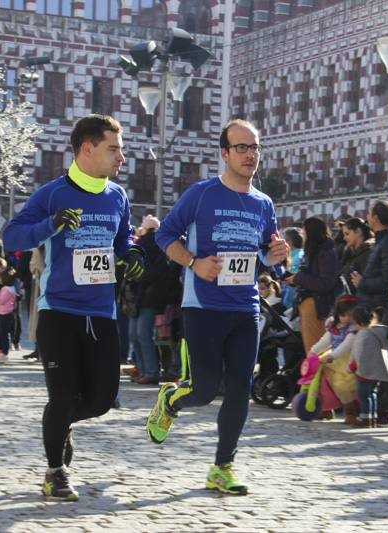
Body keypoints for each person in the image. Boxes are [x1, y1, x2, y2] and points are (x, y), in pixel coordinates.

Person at [3, 114, 144, 502]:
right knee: (63, 394)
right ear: (87, 148)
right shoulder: (51, 194)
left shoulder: (117, 196)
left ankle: (59, 424)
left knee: (101, 402)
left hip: (101, 314)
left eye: (121, 148)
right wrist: (49, 225)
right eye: (113, 148)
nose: (121, 157)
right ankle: (55, 472)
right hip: (59, 311)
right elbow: (11, 236)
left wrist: (131, 253)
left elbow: (123, 239)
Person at [148, 119, 288, 496]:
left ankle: (222, 466)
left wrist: (277, 255)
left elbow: (269, 254)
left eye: (255, 147)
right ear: (224, 154)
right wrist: (194, 262)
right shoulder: (201, 194)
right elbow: (164, 234)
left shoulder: (264, 203)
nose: (250, 154)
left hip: (245, 308)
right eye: (241, 148)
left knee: (240, 389)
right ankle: (171, 399)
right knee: (205, 390)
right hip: (203, 306)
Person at [351, 200, 388, 426]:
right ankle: (376, 409)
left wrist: (363, 283)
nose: (366, 216)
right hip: (375, 306)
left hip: (383, 309)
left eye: (369, 213)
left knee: (385, 360)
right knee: (376, 360)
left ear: (376, 218)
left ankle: (387, 409)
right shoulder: (384, 241)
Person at [283, 217, 339, 354]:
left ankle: (317, 375)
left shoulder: (326, 253)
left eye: (304, 231)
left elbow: (326, 284)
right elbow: (312, 279)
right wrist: (294, 280)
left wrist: (299, 278)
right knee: (311, 351)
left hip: (316, 307)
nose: (302, 235)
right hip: (308, 305)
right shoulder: (314, 252)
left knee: (316, 352)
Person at [128, 215, 170, 385]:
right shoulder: (160, 246)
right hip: (151, 297)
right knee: (141, 335)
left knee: (139, 335)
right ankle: (147, 370)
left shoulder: (143, 243)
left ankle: (149, 371)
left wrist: (136, 277)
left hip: (141, 296)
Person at [309, 295, 360, 422]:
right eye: (343, 315)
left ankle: (350, 411)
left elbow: (347, 345)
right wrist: (313, 351)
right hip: (331, 357)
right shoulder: (334, 325)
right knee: (320, 380)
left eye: (350, 315)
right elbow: (325, 340)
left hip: (346, 358)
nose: (346, 318)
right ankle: (325, 409)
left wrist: (331, 356)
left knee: (342, 383)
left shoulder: (353, 328)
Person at [347, 304, 388, 428]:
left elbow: (359, 354)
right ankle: (372, 418)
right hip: (377, 370)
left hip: (364, 371)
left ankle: (365, 419)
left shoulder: (363, 335)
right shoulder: (376, 333)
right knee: (372, 394)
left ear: (358, 321)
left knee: (363, 395)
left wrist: (351, 367)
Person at [339, 217, 374, 295]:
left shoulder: (367, 254)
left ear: (358, 231)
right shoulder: (349, 254)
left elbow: (366, 282)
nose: (344, 238)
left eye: (347, 234)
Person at [0, 268, 17, 362]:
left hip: (5, 314)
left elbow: (0, 300)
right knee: (4, 333)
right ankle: (4, 352)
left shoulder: (6, 290)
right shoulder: (11, 288)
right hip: (4, 313)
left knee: (4, 334)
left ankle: (4, 353)